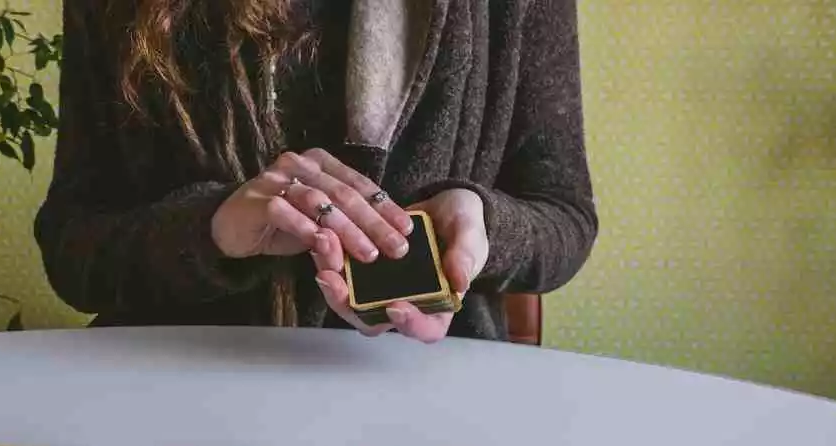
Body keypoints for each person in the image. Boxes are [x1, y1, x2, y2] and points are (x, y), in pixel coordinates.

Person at [35, 0, 597, 343]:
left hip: (423, 407)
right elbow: (72, 246)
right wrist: (210, 229)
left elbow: (565, 216)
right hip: (179, 401)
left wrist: (480, 226)